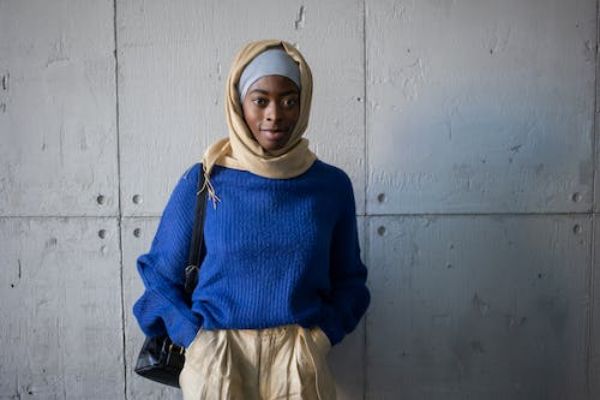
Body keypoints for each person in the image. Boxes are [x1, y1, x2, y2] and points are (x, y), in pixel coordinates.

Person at [132, 39, 370, 400]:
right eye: (260, 100)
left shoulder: (331, 186)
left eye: (289, 101)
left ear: (303, 104)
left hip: (298, 361)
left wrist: (320, 340)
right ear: (238, 103)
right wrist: (195, 340)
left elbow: (350, 282)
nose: (275, 114)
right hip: (217, 359)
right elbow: (158, 280)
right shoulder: (205, 181)